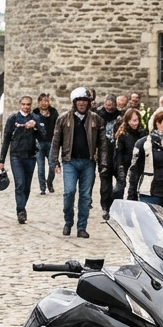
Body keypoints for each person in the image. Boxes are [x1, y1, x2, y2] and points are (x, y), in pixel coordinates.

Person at [50, 86, 109, 238]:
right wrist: (54, 161)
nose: (82, 104)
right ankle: (68, 221)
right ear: (74, 102)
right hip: (70, 161)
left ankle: (82, 226)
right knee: (69, 192)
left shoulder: (97, 120)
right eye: (79, 101)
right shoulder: (63, 119)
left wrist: (103, 163)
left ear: (89, 102)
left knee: (85, 196)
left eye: (85, 101)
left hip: (88, 162)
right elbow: (56, 142)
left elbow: (102, 145)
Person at [0, 95, 44, 224]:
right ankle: (21, 211)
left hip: (30, 156)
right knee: (20, 184)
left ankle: (22, 206)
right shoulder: (13, 119)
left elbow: (43, 135)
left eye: (28, 104)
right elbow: (6, 139)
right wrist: (2, 161)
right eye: (23, 104)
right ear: (19, 105)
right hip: (16, 156)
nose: (26, 107)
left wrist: (35, 127)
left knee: (27, 187)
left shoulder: (35, 118)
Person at [97, 95, 124, 215]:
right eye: (107, 104)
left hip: (118, 153)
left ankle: (117, 205)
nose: (109, 106)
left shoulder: (121, 116)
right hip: (104, 154)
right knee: (105, 184)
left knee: (120, 184)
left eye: (111, 104)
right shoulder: (98, 116)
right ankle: (105, 206)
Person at [35, 93, 59, 195]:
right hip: (39, 142)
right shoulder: (35, 113)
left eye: (46, 101)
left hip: (51, 142)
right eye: (42, 101)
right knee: (41, 166)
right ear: (39, 102)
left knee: (52, 165)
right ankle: (42, 187)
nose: (45, 103)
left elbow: (58, 126)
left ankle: (49, 182)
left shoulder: (53, 112)